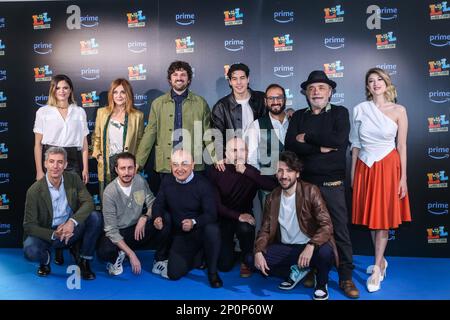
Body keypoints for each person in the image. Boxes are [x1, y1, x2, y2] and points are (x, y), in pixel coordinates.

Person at [285, 70, 359, 298]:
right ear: (306, 93)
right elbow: (289, 145)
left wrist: (306, 138)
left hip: (332, 183)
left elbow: (338, 141)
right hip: (306, 184)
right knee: (308, 230)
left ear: (330, 92)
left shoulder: (339, 113)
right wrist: (319, 148)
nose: (316, 92)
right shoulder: (298, 116)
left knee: (340, 230)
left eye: (321, 88)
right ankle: (311, 270)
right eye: (312, 88)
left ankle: (345, 276)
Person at [350, 67, 411, 293]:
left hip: (388, 167)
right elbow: (355, 144)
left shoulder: (399, 110)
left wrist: (403, 177)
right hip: (365, 167)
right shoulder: (360, 109)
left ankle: (377, 268)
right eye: (371, 81)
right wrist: (353, 175)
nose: (375, 84)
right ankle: (382, 260)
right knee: (371, 217)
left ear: (387, 83)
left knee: (382, 218)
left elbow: (402, 145)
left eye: (379, 80)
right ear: (367, 86)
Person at [251, 151, 337, 300]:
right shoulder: (272, 197)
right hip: (289, 248)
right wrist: (258, 251)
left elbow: (327, 225)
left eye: (289, 171)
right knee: (252, 259)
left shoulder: (310, 191)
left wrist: (311, 245)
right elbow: (265, 229)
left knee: (325, 252)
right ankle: (298, 270)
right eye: (280, 171)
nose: (284, 175)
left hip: (311, 247)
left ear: (297, 173)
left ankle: (321, 282)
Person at [23, 147, 102, 280]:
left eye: (60, 162)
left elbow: (89, 202)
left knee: (95, 217)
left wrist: (71, 222)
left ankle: (84, 261)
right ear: (45, 163)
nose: (55, 166)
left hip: (71, 228)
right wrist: (54, 234)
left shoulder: (73, 179)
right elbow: (29, 226)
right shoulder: (34, 190)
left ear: (65, 164)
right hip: (48, 233)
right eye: (52, 161)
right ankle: (46, 261)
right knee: (30, 251)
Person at [152, 149, 223, 288]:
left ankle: (213, 273)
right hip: (182, 235)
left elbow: (212, 214)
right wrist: (157, 217)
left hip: (201, 231)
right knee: (173, 274)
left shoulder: (203, 184)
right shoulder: (167, 180)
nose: (179, 169)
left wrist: (194, 222)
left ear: (193, 165)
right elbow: (158, 203)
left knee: (213, 229)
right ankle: (198, 258)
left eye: (184, 164)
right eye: (175, 164)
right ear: (171, 166)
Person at [208, 137, 277, 277]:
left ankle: (246, 257)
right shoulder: (216, 171)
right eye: (234, 150)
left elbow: (273, 186)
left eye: (242, 150)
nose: (238, 154)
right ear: (226, 153)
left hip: (245, 218)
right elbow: (216, 206)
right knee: (224, 266)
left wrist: (246, 172)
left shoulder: (250, 171)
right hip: (223, 218)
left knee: (246, 227)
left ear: (247, 153)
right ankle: (229, 249)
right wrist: (237, 216)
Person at [136, 61, 213, 180]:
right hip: (166, 164)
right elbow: (150, 134)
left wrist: (216, 158)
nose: (179, 78)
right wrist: (138, 162)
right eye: (175, 75)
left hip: (193, 163)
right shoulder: (158, 104)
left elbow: (207, 133)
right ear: (170, 79)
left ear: (189, 80)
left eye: (183, 75)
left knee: (193, 198)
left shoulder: (201, 103)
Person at [97, 152, 170, 277]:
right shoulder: (109, 192)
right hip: (119, 232)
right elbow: (111, 230)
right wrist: (132, 254)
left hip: (137, 230)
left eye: (130, 168)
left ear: (135, 168)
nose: (126, 172)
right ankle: (119, 256)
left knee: (165, 218)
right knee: (104, 251)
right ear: (116, 170)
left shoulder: (140, 181)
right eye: (122, 168)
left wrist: (145, 217)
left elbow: (153, 203)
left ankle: (159, 260)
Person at [92, 79, 144, 197]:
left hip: (127, 166)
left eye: (123, 92)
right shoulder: (102, 113)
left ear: (128, 94)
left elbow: (140, 142)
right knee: (108, 198)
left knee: (127, 199)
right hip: (107, 163)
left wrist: (136, 163)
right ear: (111, 94)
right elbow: (96, 137)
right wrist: (98, 155)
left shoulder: (137, 116)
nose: (119, 96)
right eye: (115, 92)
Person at [34, 74, 89, 184]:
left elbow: (84, 144)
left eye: (65, 88)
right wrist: (39, 170)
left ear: (70, 90)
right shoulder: (43, 112)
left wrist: (86, 169)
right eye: (58, 88)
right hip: (51, 160)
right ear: (53, 90)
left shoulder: (79, 112)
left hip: (72, 160)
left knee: (73, 197)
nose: (62, 91)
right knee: (52, 198)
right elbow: (38, 144)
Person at [211, 63, 266, 168]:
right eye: (235, 79)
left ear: (248, 79)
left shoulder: (261, 99)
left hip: (259, 158)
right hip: (234, 161)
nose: (239, 82)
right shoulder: (221, 106)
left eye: (242, 78)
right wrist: (219, 156)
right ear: (230, 82)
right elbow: (216, 135)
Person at [246, 83, 289, 175]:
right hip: (268, 182)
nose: (275, 101)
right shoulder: (256, 125)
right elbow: (252, 160)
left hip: (294, 183)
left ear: (285, 100)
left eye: (279, 97)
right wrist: (263, 181)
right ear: (265, 101)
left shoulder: (295, 121)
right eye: (271, 98)